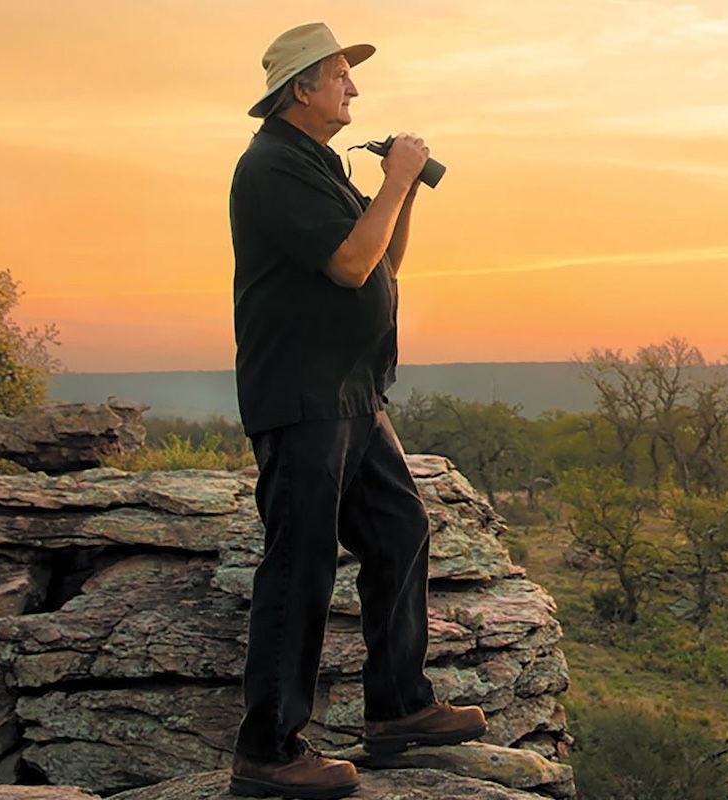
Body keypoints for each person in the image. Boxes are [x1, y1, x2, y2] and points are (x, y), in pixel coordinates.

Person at [227, 21, 487, 800]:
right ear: (299, 88)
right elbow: (346, 267)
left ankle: (398, 709)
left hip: (351, 390)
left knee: (401, 529)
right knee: (300, 563)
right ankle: (268, 753)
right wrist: (399, 179)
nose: (354, 89)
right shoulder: (271, 166)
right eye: (340, 76)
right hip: (302, 395)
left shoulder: (314, 164)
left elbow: (380, 258)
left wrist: (394, 195)